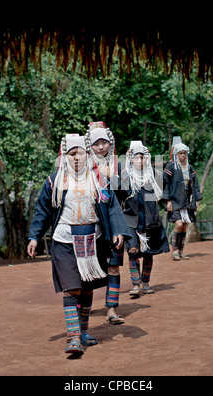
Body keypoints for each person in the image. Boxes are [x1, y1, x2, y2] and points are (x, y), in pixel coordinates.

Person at [27, 134, 131, 356]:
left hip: (93, 240)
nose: (76, 158)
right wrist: (34, 236)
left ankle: (83, 331)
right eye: (71, 154)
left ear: (87, 154)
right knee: (72, 288)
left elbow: (112, 206)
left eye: (80, 153)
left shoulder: (99, 180)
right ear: (64, 156)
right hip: (64, 241)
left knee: (87, 288)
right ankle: (73, 337)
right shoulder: (55, 182)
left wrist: (119, 231)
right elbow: (43, 211)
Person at [115, 140, 170, 297]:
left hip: (150, 220)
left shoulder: (153, 174)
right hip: (130, 220)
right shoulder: (124, 175)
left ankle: (145, 283)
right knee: (133, 251)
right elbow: (115, 192)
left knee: (148, 253)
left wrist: (167, 201)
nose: (140, 161)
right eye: (136, 157)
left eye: (142, 157)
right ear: (130, 158)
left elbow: (166, 186)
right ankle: (136, 284)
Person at [85, 121, 125, 325]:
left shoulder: (117, 164)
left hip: (115, 222)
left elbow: (128, 190)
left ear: (110, 143)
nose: (101, 147)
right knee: (88, 267)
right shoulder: (81, 164)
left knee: (114, 267)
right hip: (91, 224)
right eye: (96, 143)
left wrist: (112, 176)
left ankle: (111, 308)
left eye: (104, 142)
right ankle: (86, 305)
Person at [162, 139, 203, 261]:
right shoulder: (170, 167)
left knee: (185, 226)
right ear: (176, 154)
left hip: (187, 201)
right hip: (175, 201)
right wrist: (168, 201)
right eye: (180, 153)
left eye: (184, 153)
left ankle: (181, 251)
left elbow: (194, 185)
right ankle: (174, 250)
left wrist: (196, 200)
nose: (183, 155)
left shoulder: (189, 168)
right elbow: (165, 184)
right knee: (178, 224)